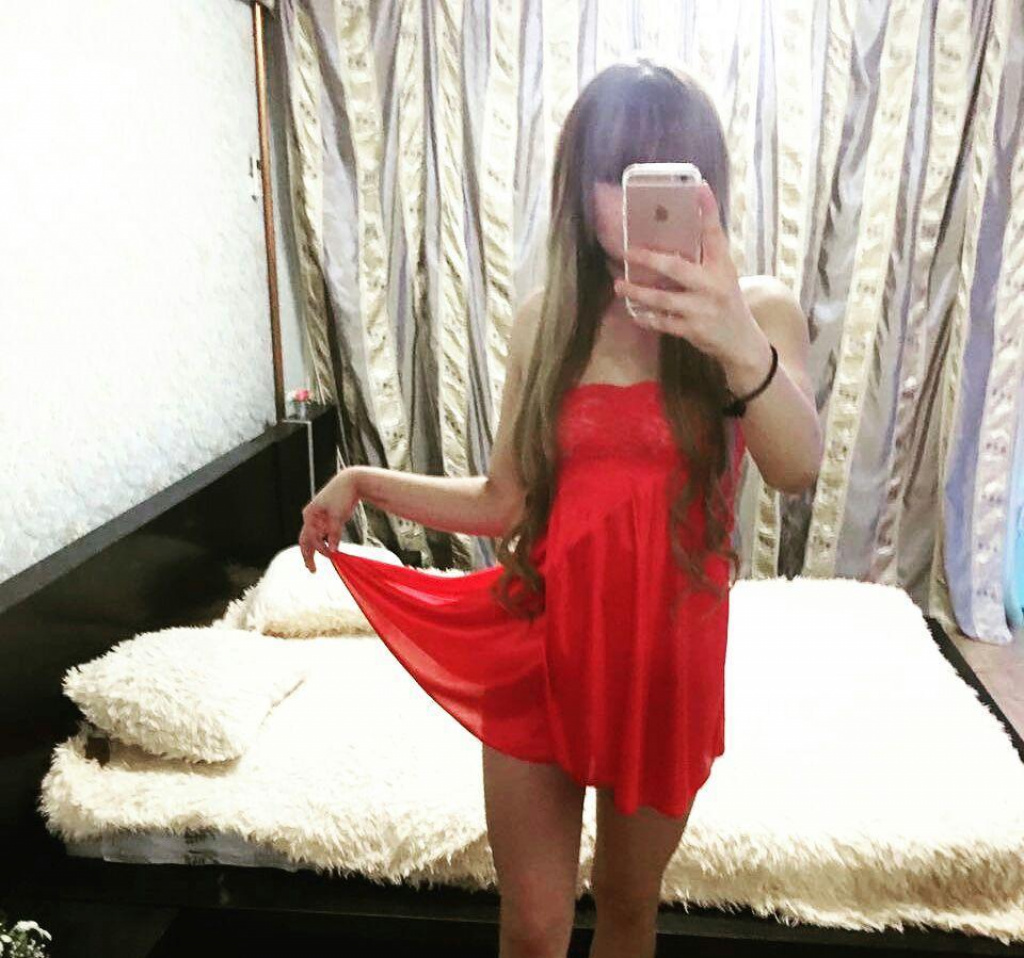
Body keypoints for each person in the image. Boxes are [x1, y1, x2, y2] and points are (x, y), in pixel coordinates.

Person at [297, 59, 820, 958]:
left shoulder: (759, 311)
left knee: (626, 907)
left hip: (665, 664)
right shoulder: (546, 320)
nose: (632, 202)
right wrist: (365, 481)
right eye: (614, 175)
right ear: (579, 187)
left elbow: (797, 467)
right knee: (533, 927)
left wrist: (734, 337)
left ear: (705, 189)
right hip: (541, 641)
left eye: (665, 176)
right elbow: (504, 501)